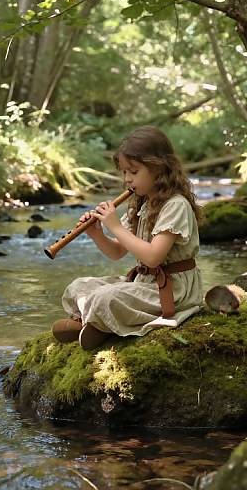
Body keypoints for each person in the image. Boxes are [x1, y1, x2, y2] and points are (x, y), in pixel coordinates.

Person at [51, 125, 204, 349]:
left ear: (159, 168)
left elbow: (152, 258)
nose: (127, 179)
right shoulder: (141, 202)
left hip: (173, 291)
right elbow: (116, 252)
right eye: (124, 172)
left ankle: (95, 324)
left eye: (134, 172)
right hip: (144, 283)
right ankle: (95, 324)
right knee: (79, 287)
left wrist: (115, 226)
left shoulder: (176, 205)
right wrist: (96, 233)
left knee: (106, 297)